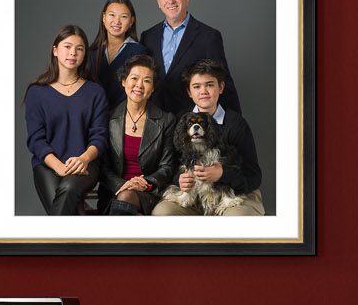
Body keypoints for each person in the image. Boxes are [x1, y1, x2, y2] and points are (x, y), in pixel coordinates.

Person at [148, 59, 265, 217]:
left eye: (210, 85)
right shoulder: (181, 120)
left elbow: (254, 177)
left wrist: (223, 174)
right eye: (197, 86)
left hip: (233, 194)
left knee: (238, 217)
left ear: (221, 87)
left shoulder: (236, 124)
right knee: (162, 212)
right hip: (193, 196)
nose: (203, 91)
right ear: (189, 92)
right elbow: (170, 164)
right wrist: (179, 179)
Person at [24, 24, 109, 215]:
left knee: (68, 189)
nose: (73, 53)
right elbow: (36, 140)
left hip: (85, 164)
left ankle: (59, 242)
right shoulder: (37, 92)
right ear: (55, 50)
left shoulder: (95, 92)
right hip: (47, 164)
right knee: (65, 205)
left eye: (79, 49)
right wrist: (59, 167)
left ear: (84, 55)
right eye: (67, 47)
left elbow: (100, 136)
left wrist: (84, 158)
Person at [137, 0, 242, 115]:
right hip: (156, 119)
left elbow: (223, 81)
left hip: (192, 122)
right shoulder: (148, 36)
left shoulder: (209, 36)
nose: (171, 0)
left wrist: (234, 124)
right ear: (159, 3)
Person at [101, 56, 176, 214]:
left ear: (153, 88)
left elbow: (167, 167)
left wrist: (145, 183)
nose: (139, 85)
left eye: (147, 81)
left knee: (126, 197)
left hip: (149, 193)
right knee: (124, 197)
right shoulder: (108, 118)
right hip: (114, 191)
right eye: (134, 78)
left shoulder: (166, 120)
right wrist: (123, 185)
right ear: (123, 81)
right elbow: (102, 166)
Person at [88, 0, 147, 112]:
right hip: (93, 116)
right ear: (104, 18)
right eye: (112, 15)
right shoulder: (91, 52)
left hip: (124, 119)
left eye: (123, 17)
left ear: (131, 21)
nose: (117, 21)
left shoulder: (139, 52)